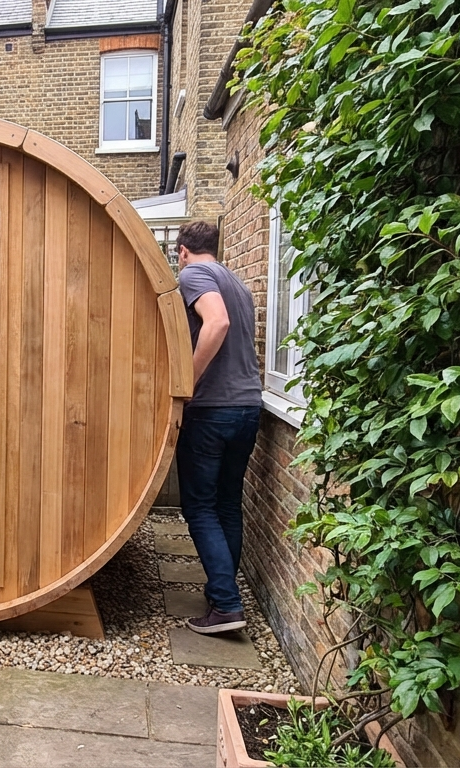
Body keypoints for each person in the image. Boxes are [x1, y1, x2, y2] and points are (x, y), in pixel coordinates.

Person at [173, 221, 262, 634]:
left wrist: (186, 382)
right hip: (248, 406)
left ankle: (226, 605)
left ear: (182, 251)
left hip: (211, 410)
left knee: (200, 506)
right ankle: (221, 593)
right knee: (227, 503)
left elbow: (217, 323)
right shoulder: (238, 284)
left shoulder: (193, 274)